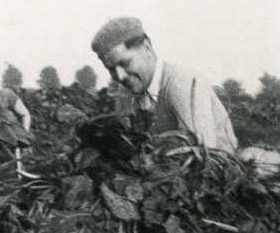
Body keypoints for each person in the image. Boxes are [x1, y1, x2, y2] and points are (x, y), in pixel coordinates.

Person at [90, 18, 238, 153]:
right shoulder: (124, 95)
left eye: (125, 63)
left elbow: (203, 155)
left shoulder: (181, 81)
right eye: (111, 69)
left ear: (147, 47)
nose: (120, 76)